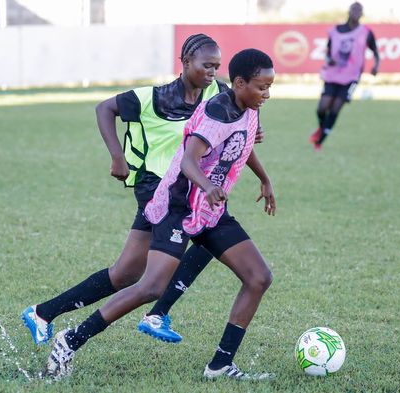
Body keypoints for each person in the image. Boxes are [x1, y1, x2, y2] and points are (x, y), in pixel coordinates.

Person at [44, 48, 277, 381]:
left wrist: (265, 179)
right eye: (261, 87)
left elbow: (241, 143)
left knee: (258, 277)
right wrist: (208, 186)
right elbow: (188, 161)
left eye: (270, 86)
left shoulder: (247, 106)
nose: (266, 94)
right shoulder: (217, 112)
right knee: (150, 286)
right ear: (239, 83)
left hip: (209, 209)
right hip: (179, 204)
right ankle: (69, 340)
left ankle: (220, 365)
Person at [21, 34, 232, 345]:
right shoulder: (151, 97)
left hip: (186, 190)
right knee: (209, 237)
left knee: (124, 274)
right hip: (155, 188)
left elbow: (231, 122)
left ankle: (42, 313)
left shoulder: (217, 93)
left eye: (216, 66)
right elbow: (104, 108)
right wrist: (117, 156)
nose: (213, 72)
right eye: (207, 65)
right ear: (186, 62)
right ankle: (156, 314)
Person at [309, 2, 380, 151]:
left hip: (351, 77)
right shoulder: (335, 31)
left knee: (335, 109)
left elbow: (376, 52)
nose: (356, 12)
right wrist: (330, 60)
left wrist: (376, 65)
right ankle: (322, 129)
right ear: (349, 11)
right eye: (354, 9)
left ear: (362, 14)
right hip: (332, 74)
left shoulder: (366, 32)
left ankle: (319, 141)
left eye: (359, 10)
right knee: (321, 109)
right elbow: (327, 53)